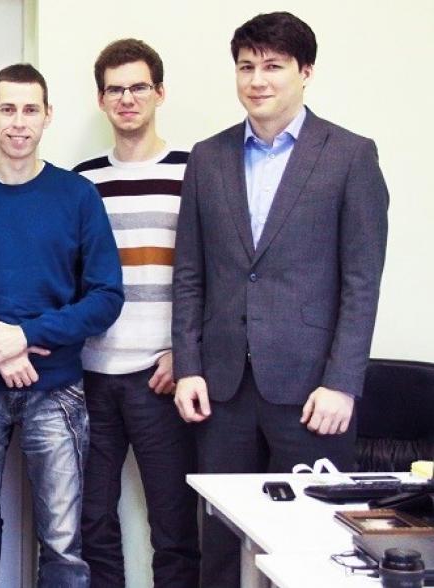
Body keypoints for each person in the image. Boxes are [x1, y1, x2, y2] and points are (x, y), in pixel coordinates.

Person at [172, 12, 390, 587]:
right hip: (221, 388)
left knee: (311, 544)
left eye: (273, 66)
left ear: (305, 72)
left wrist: (343, 382)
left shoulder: (350, 155)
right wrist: (189, 367)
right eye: (246, 67)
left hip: (313, 391)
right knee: (221, 543)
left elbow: (362, 281)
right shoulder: (208, 157)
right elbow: (190, 274)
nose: (257, 80)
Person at [0, 64, 124, 588]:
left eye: (30, 110)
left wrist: (28, 335)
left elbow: (107, 297)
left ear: (47, 116)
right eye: (7, 109)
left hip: (57, 390)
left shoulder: (77, 195)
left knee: (63, 542)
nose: (18, 122)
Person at [73, 39, 200, 588]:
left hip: (161, 377)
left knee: (174, 527)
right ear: (101, 99)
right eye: (115, 90)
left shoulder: (194, 172)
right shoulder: (82, 181)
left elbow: (213, 277)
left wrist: (186, 355)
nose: (127, 99)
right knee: (91, 522)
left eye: (138, 87)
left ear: (160, 93)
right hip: (91, 376)